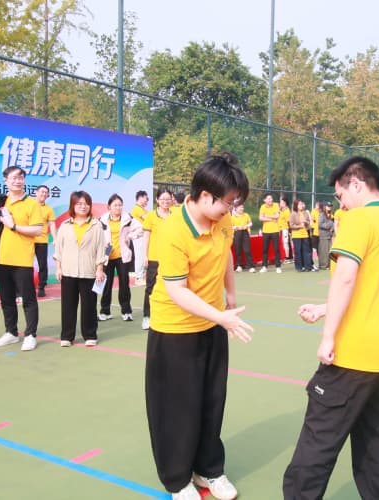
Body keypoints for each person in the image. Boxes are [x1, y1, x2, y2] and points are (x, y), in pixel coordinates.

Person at [283, 156, 379, 500]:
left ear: (357, 184)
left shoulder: (359, 219)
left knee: (318, 442)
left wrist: (327, 337)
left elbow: (346, 279)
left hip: (354, 355)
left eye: (341, 196)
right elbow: (373, 286)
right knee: (374, 443)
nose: (341, 204)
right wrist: (326, 309)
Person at [145, 152, 253, 500]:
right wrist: (220, 317)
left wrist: (230, 296)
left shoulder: (221, 220)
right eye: (228, 202)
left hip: (213, 321)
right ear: (205, 196)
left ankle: (209, 469)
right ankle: (178, 479)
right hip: (175, 329)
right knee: (178, 407)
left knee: (211, 399)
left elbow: (226, 256)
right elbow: (176, 290)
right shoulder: (172, 231)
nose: (231, 209)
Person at [0, 166, 44, 351]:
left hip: (22, 259)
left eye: (20, 178)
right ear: (5, 180)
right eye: (13, 178)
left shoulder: (32, 204)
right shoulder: (1, 203)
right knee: (6, 299)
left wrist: (14, 226)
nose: (17, 181)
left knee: (28, 299)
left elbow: (37, 230)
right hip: (1, 259)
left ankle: (30, 335)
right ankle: (11, 332)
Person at [53, 191, 106, 347]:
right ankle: (67, 336)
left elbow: (100, 249)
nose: (83, 207)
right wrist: (58, 268)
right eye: (79, 204)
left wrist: (100, 269)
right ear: (73, 205)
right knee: (68, 305)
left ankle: (90, 335)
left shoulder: (96, 225)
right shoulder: (65, 225)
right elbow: (59, 249)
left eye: (86, 204)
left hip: (89, 271)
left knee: (89, 305)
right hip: (68, 271)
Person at [98, 194, 143, 322]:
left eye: (120, 205)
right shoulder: (102, 220)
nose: (118, 207)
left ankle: (126, 311)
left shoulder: (128, 218)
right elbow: (96, 235)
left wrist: (129, 236)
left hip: (123, 255)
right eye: (115, 205)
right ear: (109, 207)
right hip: (107, 254)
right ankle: (105, 311)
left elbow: (141, 229)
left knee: (124, 284)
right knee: (106, 284)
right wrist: (103, 244)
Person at [140, 188, 174, 330]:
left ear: (172, 199)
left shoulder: (175, 215)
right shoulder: (151, 216)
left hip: (171, 258)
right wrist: (145, 256)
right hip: (154, 258)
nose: (165, 201)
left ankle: (166, 316)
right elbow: (146, 238)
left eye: (168, 199)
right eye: (162, 199)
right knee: (151, 288)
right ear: (157, 200)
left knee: (171, 288)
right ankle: (147, 317)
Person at [34, 185, 56, 297]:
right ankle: (21, 288)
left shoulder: (49, 209)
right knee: (24, 265)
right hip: (28, 240)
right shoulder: (29, 206)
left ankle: (41, 287)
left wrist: (55, 238)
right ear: (36, 192)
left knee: (42, 265)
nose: (43, 194)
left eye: (46, 192)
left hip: (42, 240)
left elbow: (52, 224)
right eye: (42, 191)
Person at [289, 199, 315, 272]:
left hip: (305, 234)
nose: (301, 206)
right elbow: (291, 225)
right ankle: (299, 267)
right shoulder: (293, 214)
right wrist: (299, 226)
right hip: (296, 235)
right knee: (298, 251)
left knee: (306, 251)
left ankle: (308, 266)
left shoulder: (305, 213)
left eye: (301, 204)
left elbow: (309, 224)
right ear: (296, 205)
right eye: (299, 204)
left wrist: (306, 222)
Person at [259, 193, 282, 273]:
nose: (270, 200)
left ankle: (278, 267)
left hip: (275, 230)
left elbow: (277, 216)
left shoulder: (276, 205)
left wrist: (266, 216)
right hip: (266, 231)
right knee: (265, 249)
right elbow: (261, 218)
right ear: (264, 200)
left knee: (276, 249)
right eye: (268, 198)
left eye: (271, 198)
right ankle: (264, 266)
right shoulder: (262, 207)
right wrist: (271, 218)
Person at [131, 190, 150, 285]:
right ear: (140, 197)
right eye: (146, 198)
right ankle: (138, 277)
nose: (147, 201)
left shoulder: (142, 209)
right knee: (140, 257)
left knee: (143, 257)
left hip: (144, 236)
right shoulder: (137, 208)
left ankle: (141, 276)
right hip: (139, 236)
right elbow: (148, 219)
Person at [231, 203, 255, 272]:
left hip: (245, 232)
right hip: (237, 233)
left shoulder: (246, 215)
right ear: (236, 209)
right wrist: (236, 227)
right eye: (240, 207)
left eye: (242, 207)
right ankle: (239, 266)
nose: (242, 209)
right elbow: (230, 226)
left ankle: (251, 266)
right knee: (237, 250)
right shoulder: (233, 217)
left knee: (247, 250)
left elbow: (250, 223)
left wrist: (246, 226)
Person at [317, 202, 334, 270]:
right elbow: (320, 224)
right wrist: (330, 224)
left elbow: (333, 224)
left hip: (329, 235)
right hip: (323, 236)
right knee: (323, 251)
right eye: (328, 206)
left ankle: (328, 265)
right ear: (324, 207)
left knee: (329, 251)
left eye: (330, 206)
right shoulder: (322, 214)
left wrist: (332, 228)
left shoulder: (330, 214)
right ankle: (323, 265)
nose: (330, 207)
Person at [279, 197, 293, 263]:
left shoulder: (287, 211)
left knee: (286, 242)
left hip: (285, 229)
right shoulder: (280, 210)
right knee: (284, 243)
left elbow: (288, 221)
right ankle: (288, 257)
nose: (280, 203)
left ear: (285, 203)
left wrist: (289, 231)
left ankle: (288, 258)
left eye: (281, 202)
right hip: (280, 228)